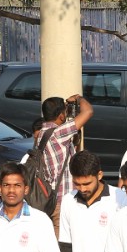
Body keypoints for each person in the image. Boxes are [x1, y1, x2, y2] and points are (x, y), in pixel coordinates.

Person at [36, 94, 96, 233]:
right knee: (63, 245)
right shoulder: (58, 133)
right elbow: (88, 111)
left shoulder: (42, 133)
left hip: (49, 198)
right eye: (65, 111)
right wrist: (79, 98)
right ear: (61, 116)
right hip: (62, 201)